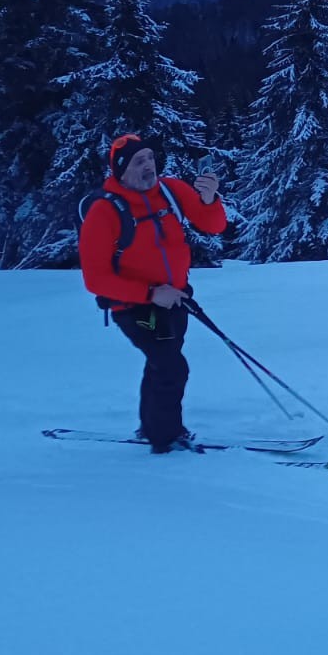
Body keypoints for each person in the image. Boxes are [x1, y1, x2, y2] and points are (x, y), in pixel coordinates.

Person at [80, 134, 226, 453]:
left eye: (150, 157)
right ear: (121, 170)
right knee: (171, 366)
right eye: (139, 161)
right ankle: (165, 437)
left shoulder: (172, 191)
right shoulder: (105, 211)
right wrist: (149, 294)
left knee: (162, 362)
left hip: (176, 298)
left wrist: (209, 200)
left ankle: (151, 426)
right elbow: (95, 279)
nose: (149, 165)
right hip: (136, 309)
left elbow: (213, 226)